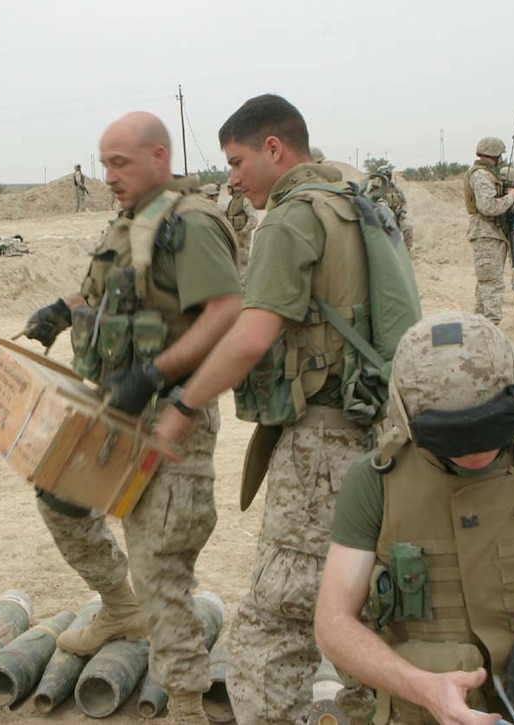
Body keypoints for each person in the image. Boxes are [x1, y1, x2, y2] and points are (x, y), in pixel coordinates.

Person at [153, 93, 377, 724]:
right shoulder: (355, 205)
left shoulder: (290, 217)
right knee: (364, 603)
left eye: (236, 160)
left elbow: (253, 336)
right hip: (372, 433)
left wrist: (182, 402)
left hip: (321, 447)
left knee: (272, 628)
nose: (231, 178)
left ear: (273, 149)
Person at [22, 112, 242, 725]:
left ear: (158, 155)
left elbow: (226, 313)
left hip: (169, 417)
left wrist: (156, 374)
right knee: (58, 499)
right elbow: (108, 295)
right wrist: (61, 310)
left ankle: (188, 702)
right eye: (103, 162)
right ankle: (118, 606)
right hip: (111, 407)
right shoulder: (129, 222)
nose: (108, 174)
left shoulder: (191, 223)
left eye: (120, 162)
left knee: (160, 563)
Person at [315, 310, 514, 724]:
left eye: (492, 428)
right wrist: (421, 687)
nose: (476, 451)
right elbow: (333, 621)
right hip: (427, 703)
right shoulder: (377, 482)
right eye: (451, 438)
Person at [462, 137, 514, 325]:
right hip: (486, 234)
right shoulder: (481, 175)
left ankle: (480, 327)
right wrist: (510, 197)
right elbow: (488, 206)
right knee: (492, 285)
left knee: (485, 285)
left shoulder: (486, 174)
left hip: (492, 234)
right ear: (494, 155)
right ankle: (491, 328)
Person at [223, 183, 259, 271]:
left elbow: (253, 219)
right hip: (234, 234)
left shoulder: (244, 200)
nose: (228, 190)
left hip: (242, 237)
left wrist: (244, 231)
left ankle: (243, 283)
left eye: (229, 187)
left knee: (242, 262)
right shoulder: (231, 201)